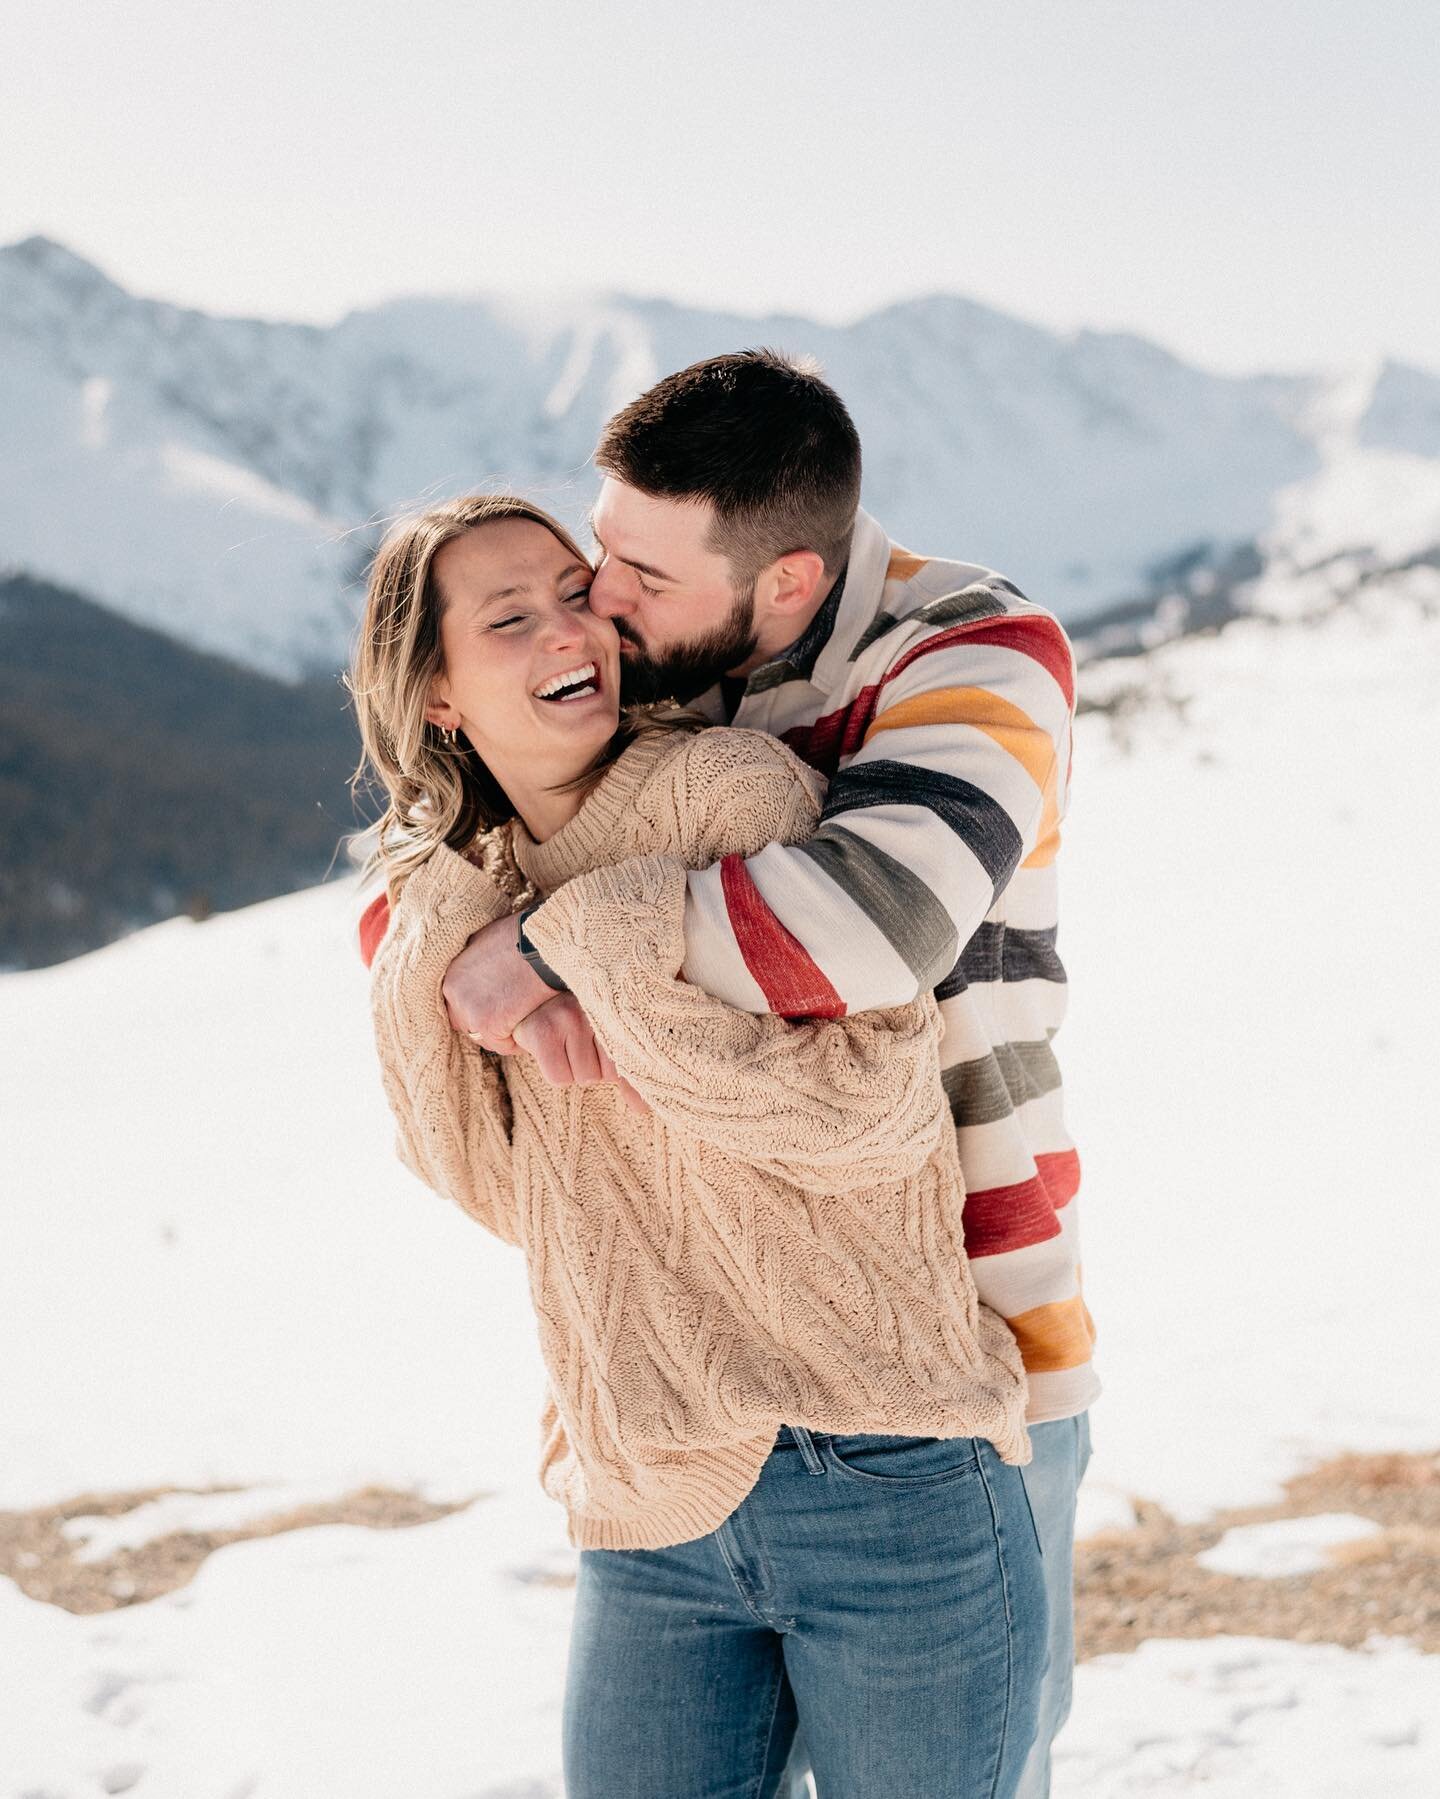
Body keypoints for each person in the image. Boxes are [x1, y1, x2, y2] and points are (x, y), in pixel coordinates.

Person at [429, 351, 1099, 1798]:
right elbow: (467, 833)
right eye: (602, 550)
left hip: (969, 1337)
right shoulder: (669, 673)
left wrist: (558, 938)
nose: (602, 597)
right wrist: (455, 931)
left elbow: (870, 930)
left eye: (639, 574)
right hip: (697, 1378)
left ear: (786, 583)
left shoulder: (971, 652)